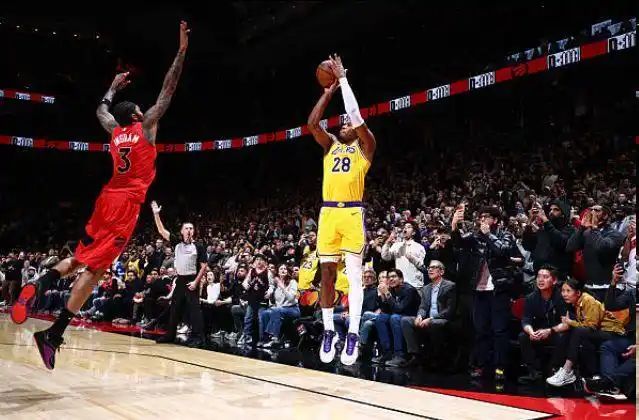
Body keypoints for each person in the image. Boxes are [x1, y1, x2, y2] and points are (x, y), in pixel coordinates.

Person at [10, 21, 190, 369]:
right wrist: (181, 51)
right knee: (95, 270)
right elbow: (168, 90)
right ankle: (52, 333)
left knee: (81, 258)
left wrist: (111, 87)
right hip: (125, 206)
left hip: (106, 199)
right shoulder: (146, 127)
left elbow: (101, 111)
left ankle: (43, 285)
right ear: (136, 114)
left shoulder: (114, 132)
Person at [307, 54, 376, 365]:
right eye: (343, 123)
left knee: (355, 276)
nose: (345, 123)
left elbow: (356, 115)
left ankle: (353, 333)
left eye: (349, 123)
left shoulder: (366, 147)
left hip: (351, 213)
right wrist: (327, 93)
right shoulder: (330, 145)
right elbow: (312, 124)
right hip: (328, 215)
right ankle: (328, 331)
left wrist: (344, 81)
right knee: (326, 274)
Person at [545, 278, 626, 387]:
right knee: (580, 337)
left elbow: (591, 326)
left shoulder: (588, 300)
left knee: (578, 331)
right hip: (599, 331)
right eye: (563, 291)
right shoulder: (576, 303)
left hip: (612, 333)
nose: (564, 294)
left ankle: (567, 369)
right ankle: (593, 375)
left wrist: (570, 322)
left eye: (568, 291)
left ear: (578, 293)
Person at [152, 201, 208, 347]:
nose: (189, 230)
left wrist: (196, 282)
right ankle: (170, 335)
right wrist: (156, 214)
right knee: (175, 307)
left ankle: (198, 337)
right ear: (182, 231)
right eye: (186, 228)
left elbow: (204, 267)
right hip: (180, 279)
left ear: (193, 231)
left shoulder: (199, 246)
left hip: (192, 279)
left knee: (194, 309)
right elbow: (161, 230)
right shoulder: (177, 242)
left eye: (191, 228)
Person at [517, 265, 568, 384]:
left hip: (555, 331)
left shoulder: (561, 297)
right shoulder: (531, 298)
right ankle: (534, 372)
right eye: (539, 276)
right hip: (539, 331)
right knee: (523, 336)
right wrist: (531, 332)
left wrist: (550, 331)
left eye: (545, 277)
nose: (541, 280)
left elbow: (566, 323)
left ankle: (555, 370)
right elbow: (526, 320)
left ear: (554, 281)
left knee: (564, 336)